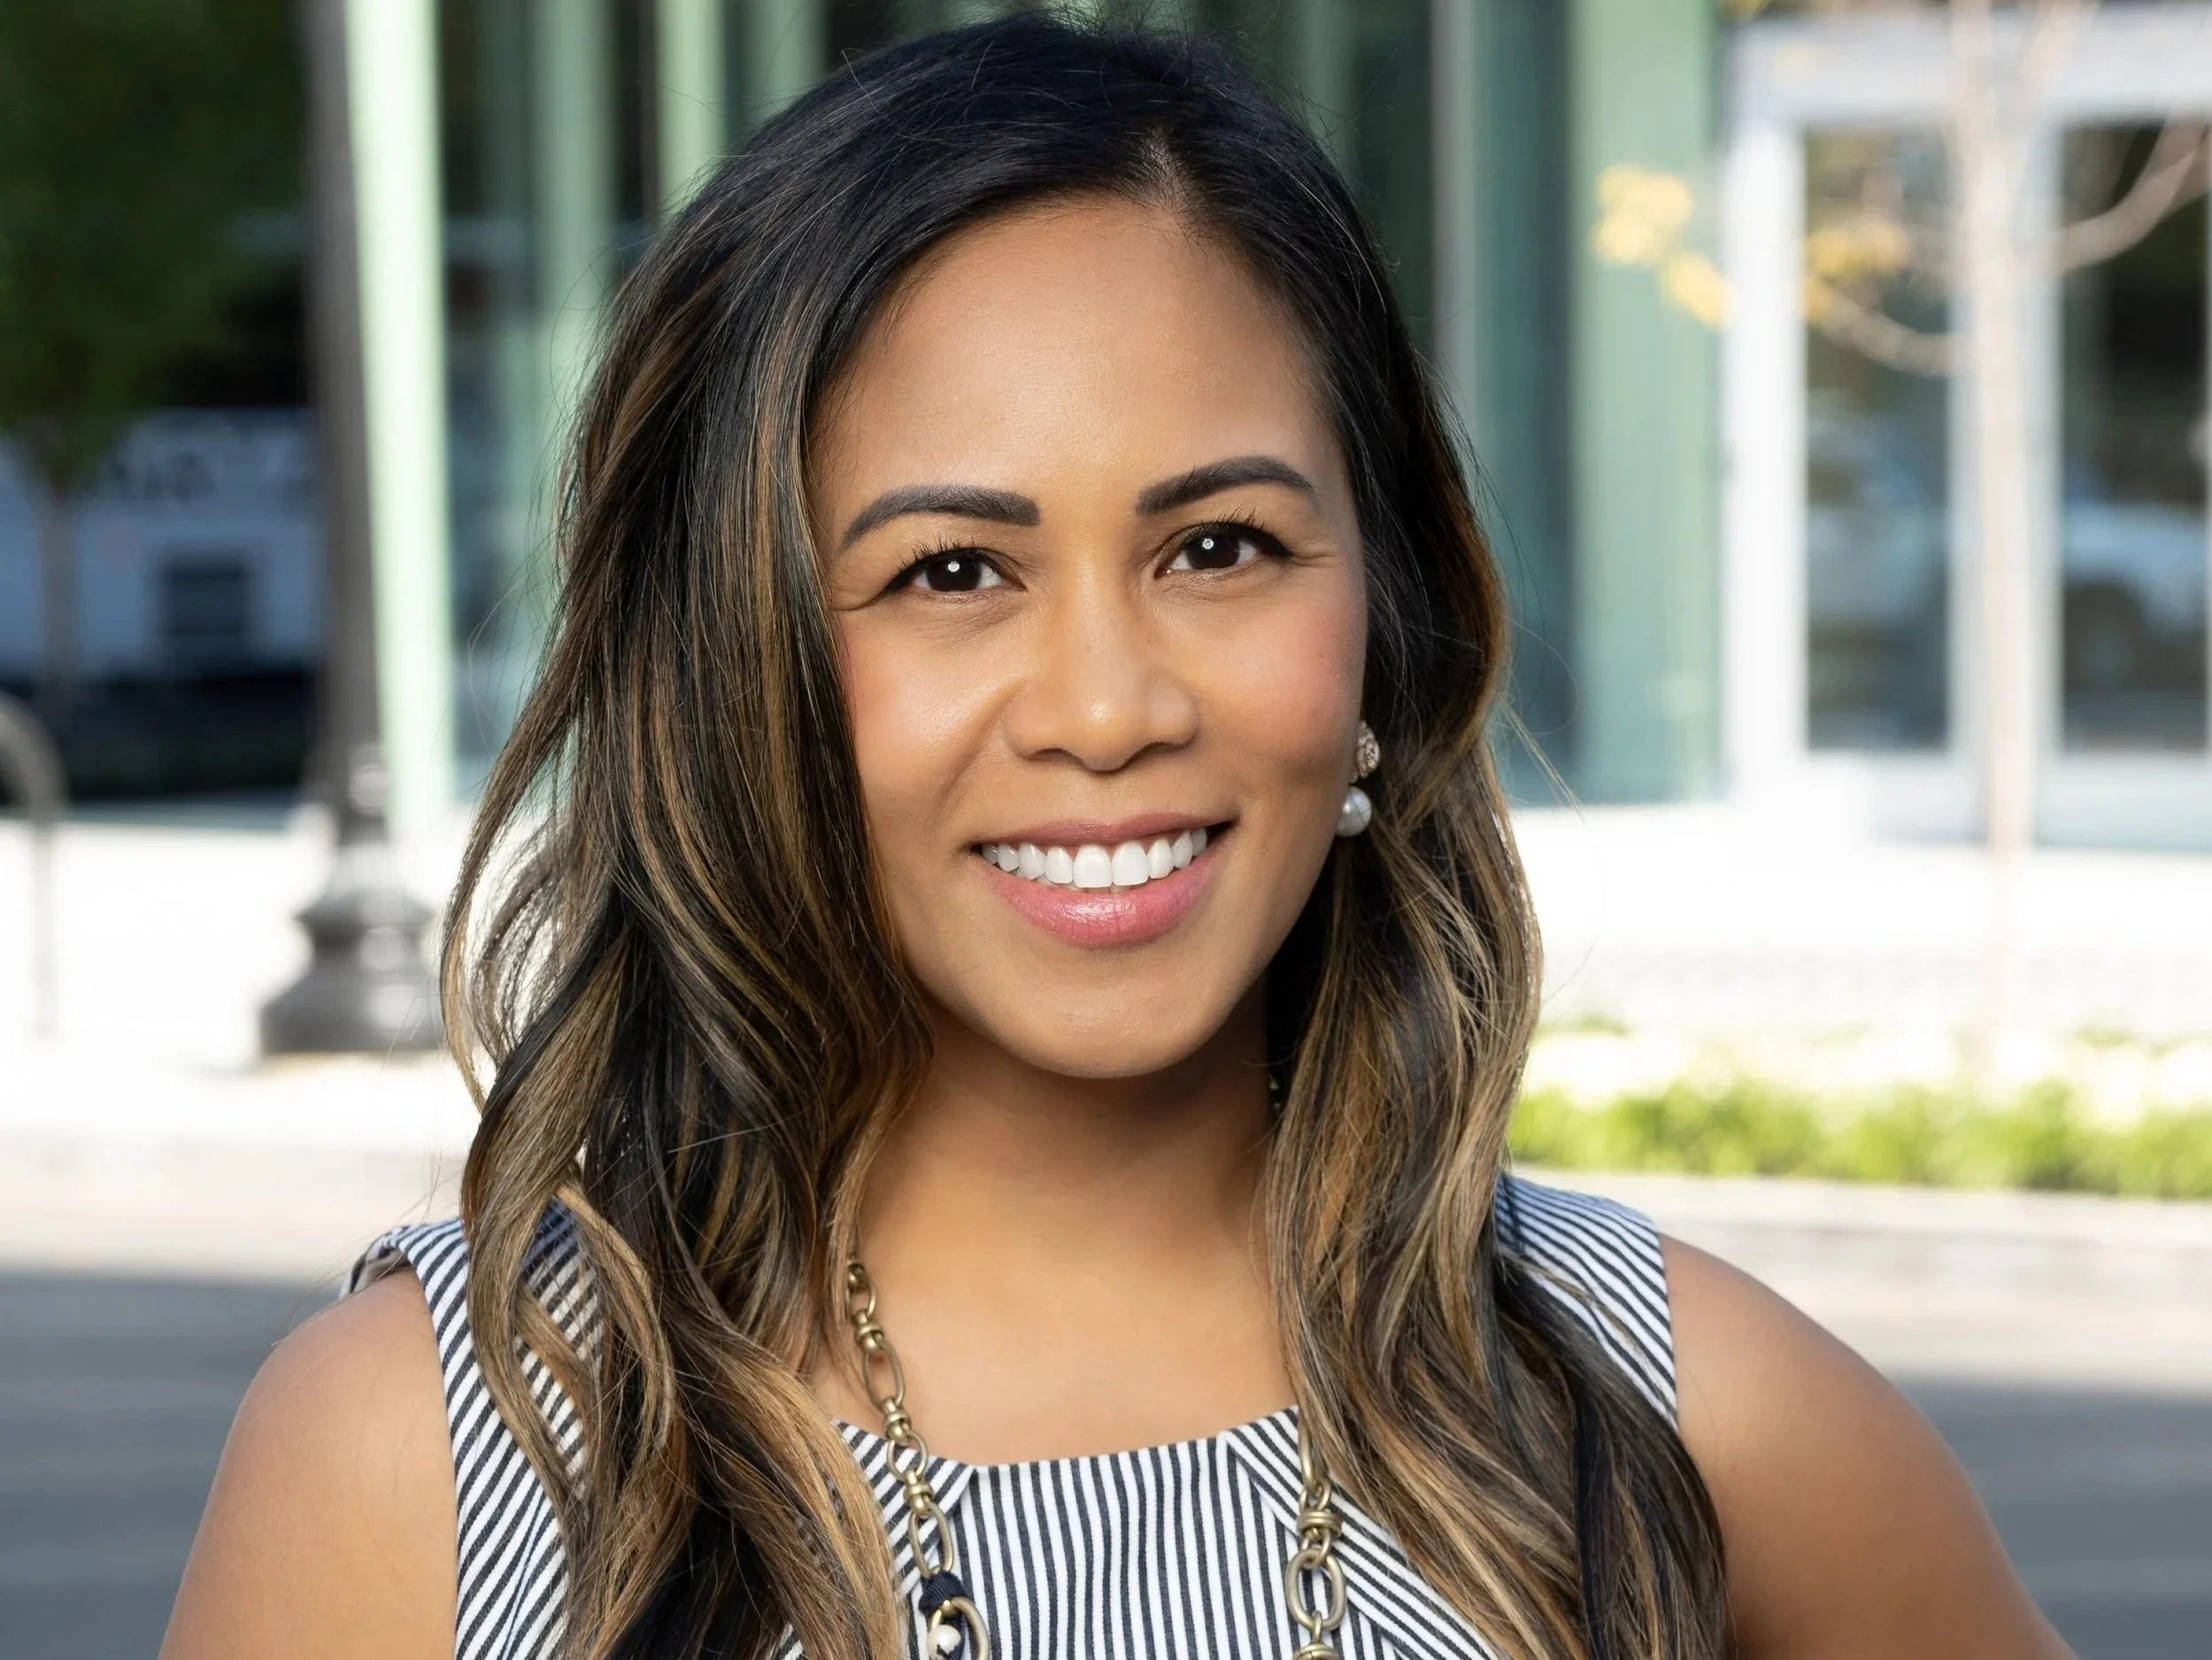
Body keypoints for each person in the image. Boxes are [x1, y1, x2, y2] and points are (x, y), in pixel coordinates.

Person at [161, 13, 2068, 1660]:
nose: (1106, 704)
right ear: (731, 667)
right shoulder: (434, 1464)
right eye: (951, 568)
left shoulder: (1686, 1419)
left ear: (1385, 620)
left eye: (1218, 547)